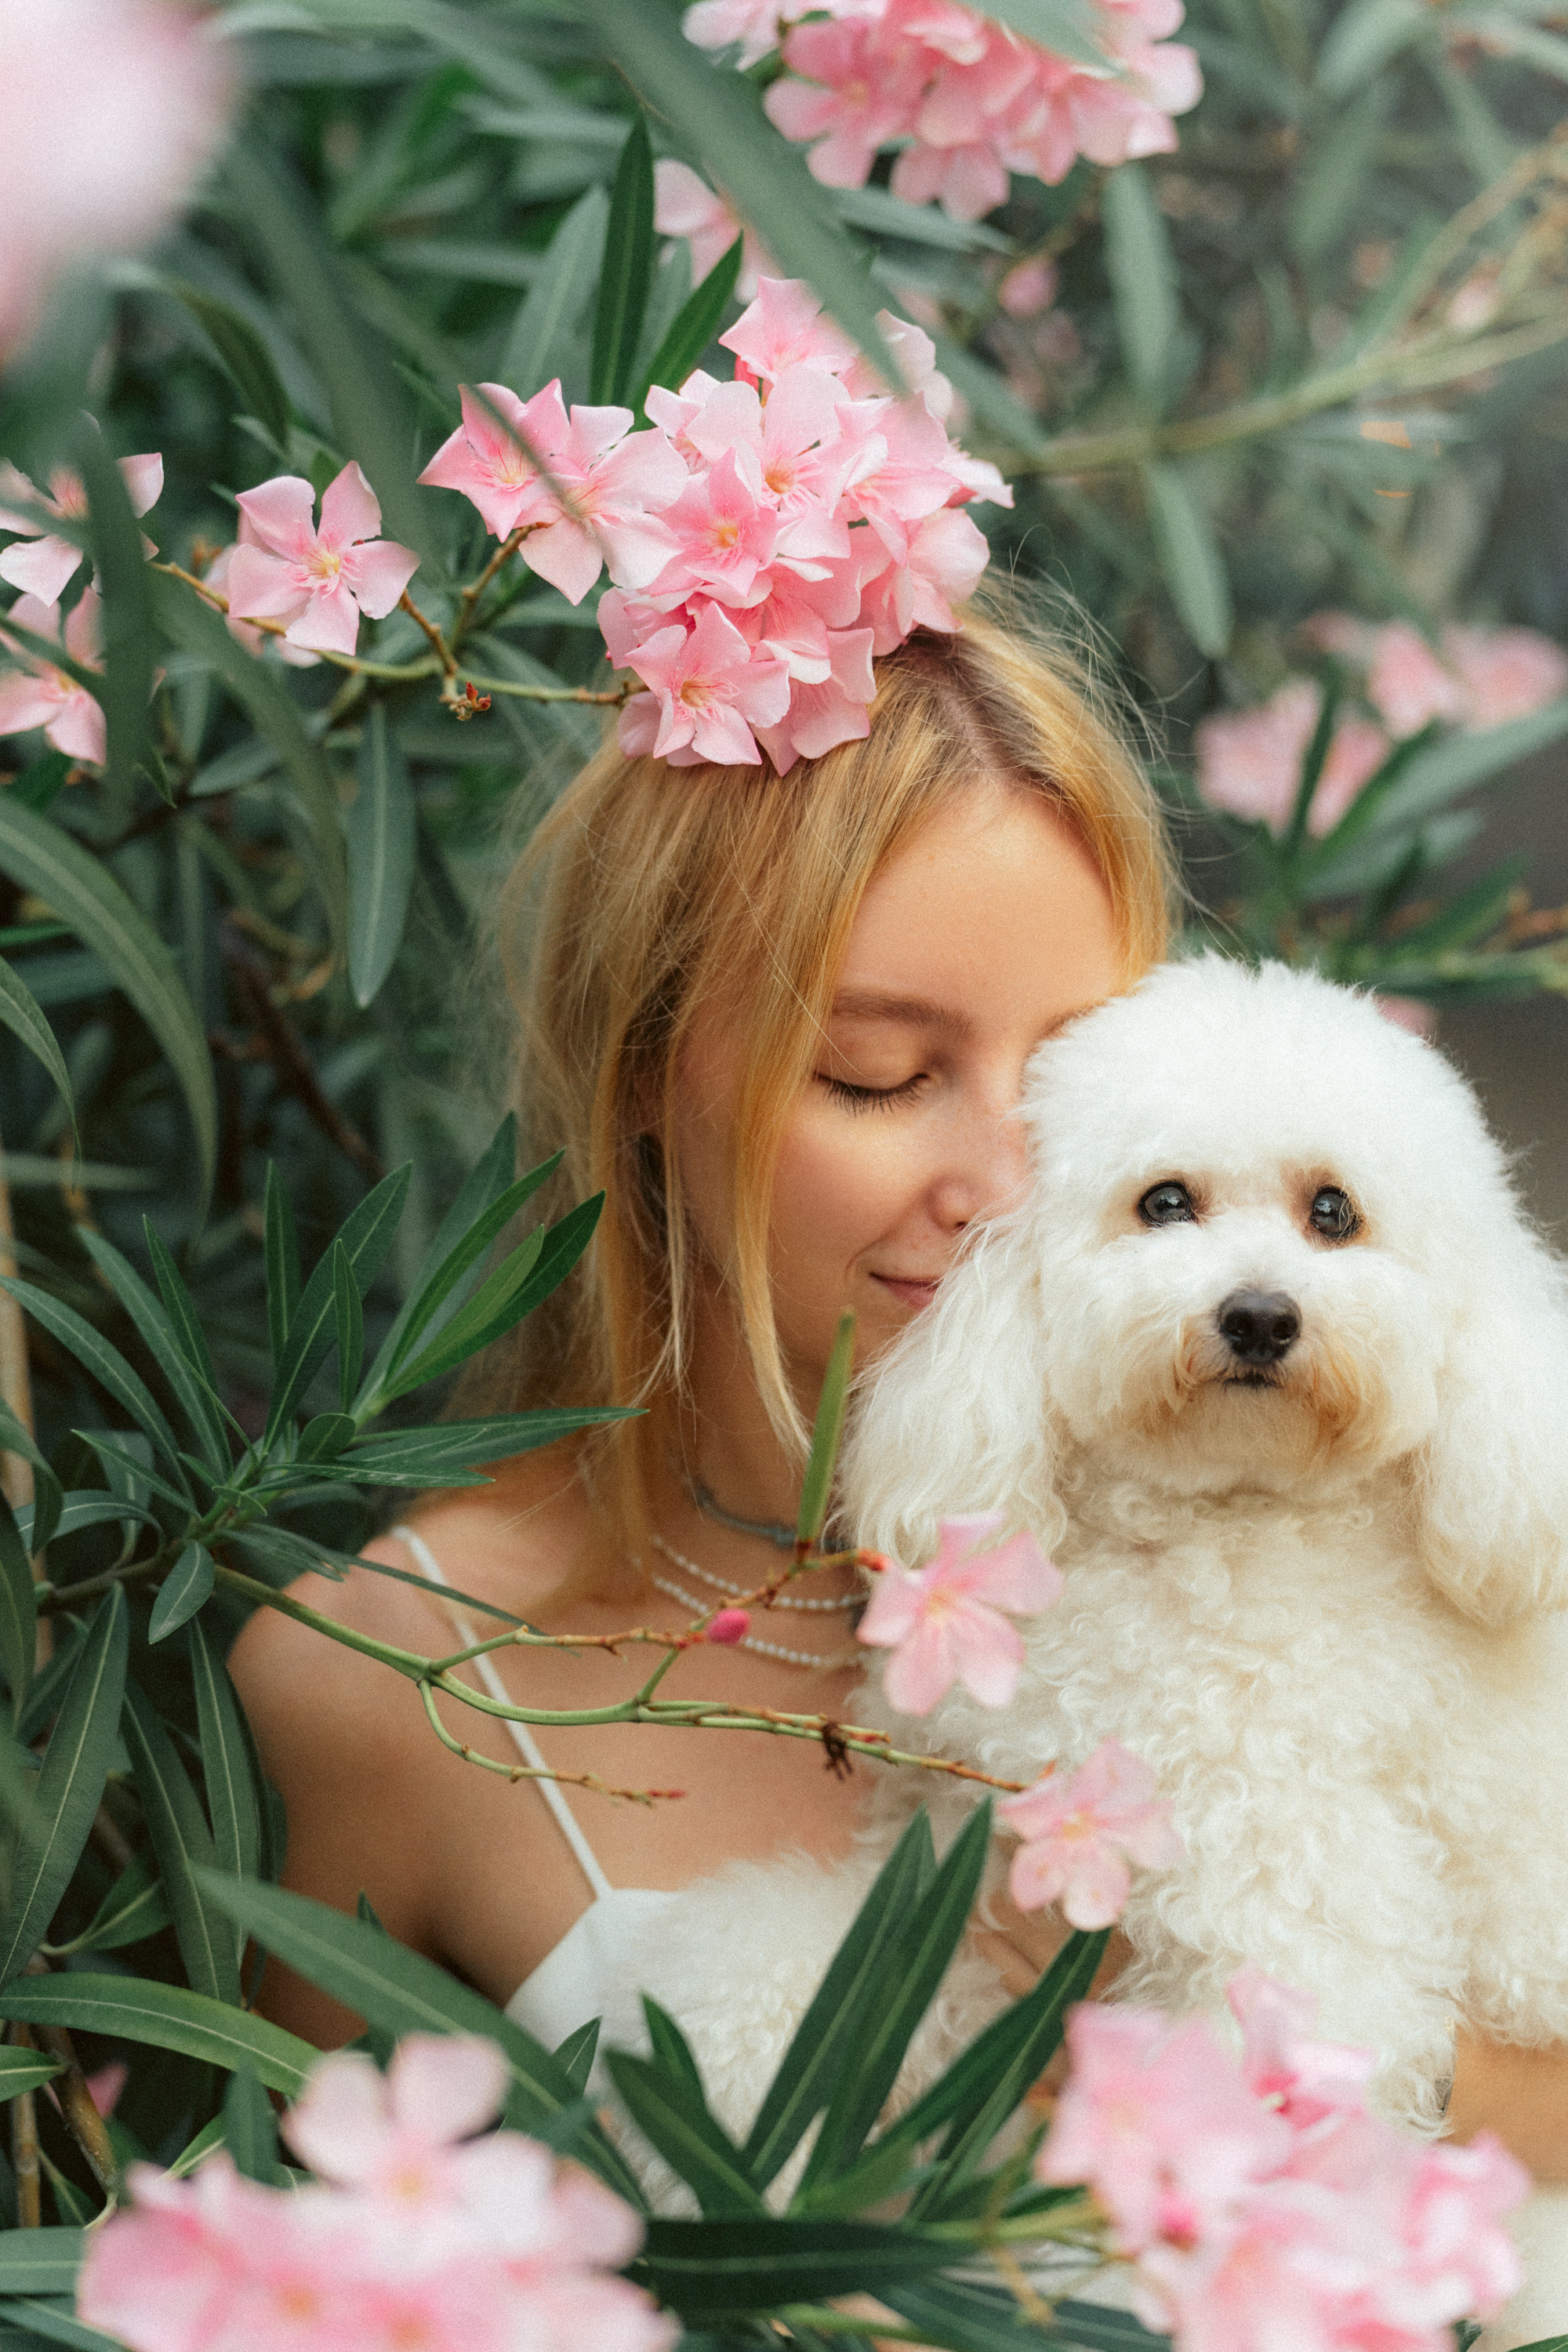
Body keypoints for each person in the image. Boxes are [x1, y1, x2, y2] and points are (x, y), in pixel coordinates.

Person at [230, 598, 1568, 2180]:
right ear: (654, 1067)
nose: (1010, 1179)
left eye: (1081, 1081)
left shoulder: (1401, 1563)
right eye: (880, 1073)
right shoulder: (383, 1682)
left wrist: (1125, 2039)